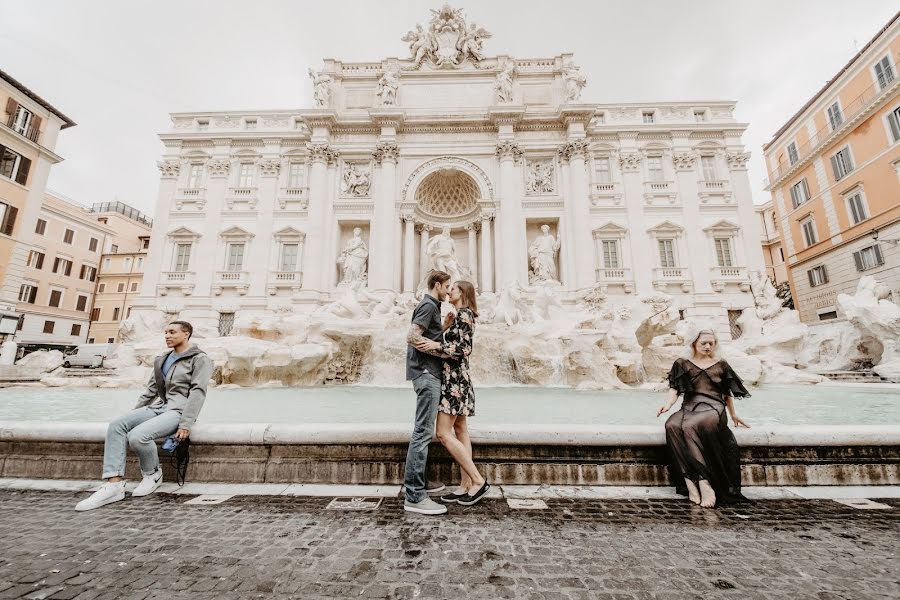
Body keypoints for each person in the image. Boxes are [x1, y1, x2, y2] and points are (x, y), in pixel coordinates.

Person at [75, 321, 213, 511]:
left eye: (172, 332)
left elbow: (198, 392)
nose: (167, 336)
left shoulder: (200, 359)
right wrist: (134, 415)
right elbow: (151, 391)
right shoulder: (162, 359)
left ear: (186, 334)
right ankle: (114, 484)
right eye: (165, 332)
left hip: (178, 411)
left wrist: (186, 423)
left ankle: (153, 474)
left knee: (138, 436)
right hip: (160, 407)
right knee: (117, 424)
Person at [656, 327, 750, 508]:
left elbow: (727, 393)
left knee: (690, 426)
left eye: (711, 343)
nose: (708, 346)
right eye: (703, 343)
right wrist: (668, 405)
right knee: (672, 425)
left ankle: (704, 481)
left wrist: (733, 414)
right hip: (690, 406)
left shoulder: (721, 364)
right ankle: (689, 482)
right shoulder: (682, 363)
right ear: (694, 343)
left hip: (713, 408)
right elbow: (675, 388)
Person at [415, 281, 489, 506]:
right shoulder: (459, 315)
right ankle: (465, 485)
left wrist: (434, 346)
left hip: (454, 381)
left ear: (463, 293)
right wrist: (445, 328)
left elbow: (464, 350)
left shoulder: (464, 314)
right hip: (459, 379)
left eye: (454, 288)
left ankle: (477, 481)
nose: (450, 291)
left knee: (443, 434)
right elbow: (457, 343)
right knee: (461, 429)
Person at [403, 270, 452, 515]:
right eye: (447, 286)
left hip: (426, 373)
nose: (448, 290)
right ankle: (414, 495)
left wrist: (443, 327)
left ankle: (418, 483)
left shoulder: (432, 307)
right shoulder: (429, 305)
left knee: (424, 432)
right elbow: (412, 336)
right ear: (437, 285)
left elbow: (427, 334)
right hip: (426, 374)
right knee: (422, 433)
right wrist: (442, 351)